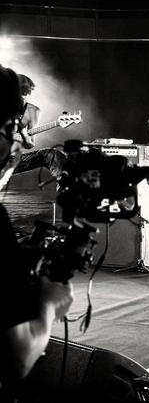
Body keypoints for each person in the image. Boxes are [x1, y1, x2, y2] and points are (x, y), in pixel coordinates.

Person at [0, 64, 74, 398]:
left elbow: (24, 144)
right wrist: (48, 305)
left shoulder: (31, 114)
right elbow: (16, 359)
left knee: (52, 156)